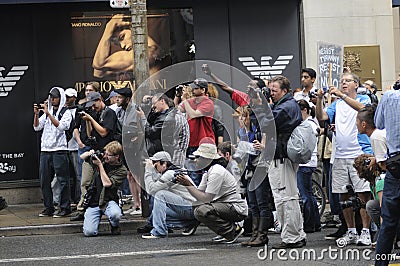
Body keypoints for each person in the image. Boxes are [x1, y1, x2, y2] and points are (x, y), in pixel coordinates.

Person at [316, 72, 372, 247]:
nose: (343, 83)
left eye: (347, 81)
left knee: (363, 194)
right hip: (339, 155)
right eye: (342, 82)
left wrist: (341, 95)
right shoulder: (337, 104)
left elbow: (363, 110)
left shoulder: (364, 98)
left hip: (359, 154)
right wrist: (319, 100)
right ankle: (351, 230)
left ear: (356, 84)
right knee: (344, 195)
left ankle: (366, 231)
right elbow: (322, 117)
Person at [252, 75, 306, 248]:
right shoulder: (284, 105)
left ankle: (292, 237)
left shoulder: (286, 107)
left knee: (285, 198)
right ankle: (296, 234)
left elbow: (265, 124)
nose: (271, 93)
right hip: (280, 156)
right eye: (270, 89)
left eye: (274, 90)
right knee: (285, 197)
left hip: (281, 157)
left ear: (284, 91)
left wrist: (260, 104)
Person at [176, 143, 248, 244]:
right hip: (225, 205)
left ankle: (233, 231)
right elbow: (199, 195)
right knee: (196, 205)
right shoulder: (208, 171)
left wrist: (188, 185)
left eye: (198, 157)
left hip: (236, 209)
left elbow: (206, 198)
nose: (196, 160)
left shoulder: (216, 171)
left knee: (201, 211)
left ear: (207, 159)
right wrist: (186, 183)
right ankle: (224, 232)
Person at [70, 91, 118, 221]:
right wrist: (87, 120)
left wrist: (91, 118)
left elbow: (103, 132)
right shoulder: (94, 112)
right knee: (85, 181)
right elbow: (90, 134)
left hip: (107, 154)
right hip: (94, 151)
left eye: (94, 103)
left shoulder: (109, 113)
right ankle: (82, 210)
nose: (93, 107)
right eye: (91, 104)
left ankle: (107, 209)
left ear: (100, 99)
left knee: (104, 183)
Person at [33, 87, 72, 217]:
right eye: (51, 97)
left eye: (55, 97)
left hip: (59, 150)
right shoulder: (47, 111)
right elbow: (37, 127)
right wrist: (36, 114)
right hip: (45, 150)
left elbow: (61, 127)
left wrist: (49, 114)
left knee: (63, 180)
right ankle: (48, 207)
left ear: (61, 98)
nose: (52, 99)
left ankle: (65, 207)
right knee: (44, 180)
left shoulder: (66, 112)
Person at [141, 151, 198, 239]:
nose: (154, 167)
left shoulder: (170, 174)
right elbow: (156, 183)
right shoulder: (172, 171)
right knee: (157, 214)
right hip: (191, 208)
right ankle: (190, 223)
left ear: (164, 164)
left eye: (155, 164)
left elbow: (151, 190)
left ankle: (159, 232)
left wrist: (148, 171)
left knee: (160, 195)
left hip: (191, 208)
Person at [92, 14, 167, 78]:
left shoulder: (149, 52)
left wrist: (109, 27)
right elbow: (98, 73)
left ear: (132, 28)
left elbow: (99, 64)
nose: (122, 46)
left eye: (122, 37)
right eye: (117, 43)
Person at [374, 83, 400, 266]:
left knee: (389, 221)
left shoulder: (389, 96)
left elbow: (379, 123)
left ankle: (380, 263)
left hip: (395, 164)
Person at [356, 104, 387, 248]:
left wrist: (378, 163)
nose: (356, 126)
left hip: (390, 179)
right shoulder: (379, 134)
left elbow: (385, 165)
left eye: (357, 122)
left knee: (383, 208)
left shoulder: (376, 137)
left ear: (364, 124)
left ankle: (386, 238)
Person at [81, 141, 127, 237]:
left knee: (116, 214)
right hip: (93, 202)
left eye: (108, 155)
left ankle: (115, 225)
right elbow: (82, 157)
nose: (105, 156)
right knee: (89, 232)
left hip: (108, 201)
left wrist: (100, 166)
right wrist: (90, 153)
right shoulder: (101, 159)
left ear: (116, 156)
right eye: (105, 153)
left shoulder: (122, 170)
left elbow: (107, 184)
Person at [177, 78, 215, 185]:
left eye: (195, 88)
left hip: (204, 143)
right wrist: (178, 96)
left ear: (203, 90)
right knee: (192, 174)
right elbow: (177, 110)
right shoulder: (191, 101)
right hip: (191, 142)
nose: (192, 90)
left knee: (202, 175)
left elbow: (194, 114)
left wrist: (185, 100)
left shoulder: (208, 103)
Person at [114, 86, 142, 215]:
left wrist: (137, 138)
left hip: (136, 147)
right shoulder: (120, 111)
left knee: (137, 175)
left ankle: (142, 204)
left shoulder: (136, 109)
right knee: (130, 175)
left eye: (120, 97)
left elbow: (143, 126)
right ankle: (136, 204)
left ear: (127, 99)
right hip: (125, 147)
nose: (117, 100)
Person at [296, 99, 321, 233]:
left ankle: (310, 224)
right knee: (309, 194)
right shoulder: (310, 124)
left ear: (304, 110)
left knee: (306, 195)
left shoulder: (308, 125)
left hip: (305, 162)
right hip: (308, 161)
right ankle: (315, 223)